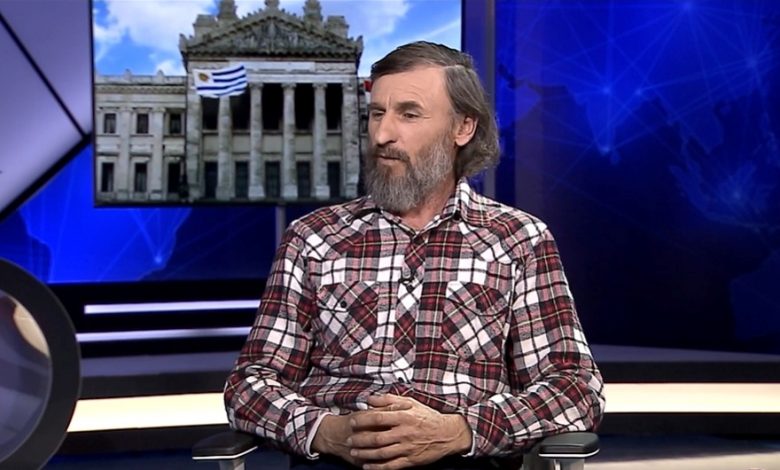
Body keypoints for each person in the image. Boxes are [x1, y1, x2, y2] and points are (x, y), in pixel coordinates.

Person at [225, 41, 605, 470]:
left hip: (464, 460)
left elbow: (575, 389)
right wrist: (326, 432)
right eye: (376, 114)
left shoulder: (518, 240)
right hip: (337, 460)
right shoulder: (312, 238)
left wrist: (459, 431)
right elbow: (249, 386)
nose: (382, 135)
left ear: (463, 128)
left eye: (408, 114)